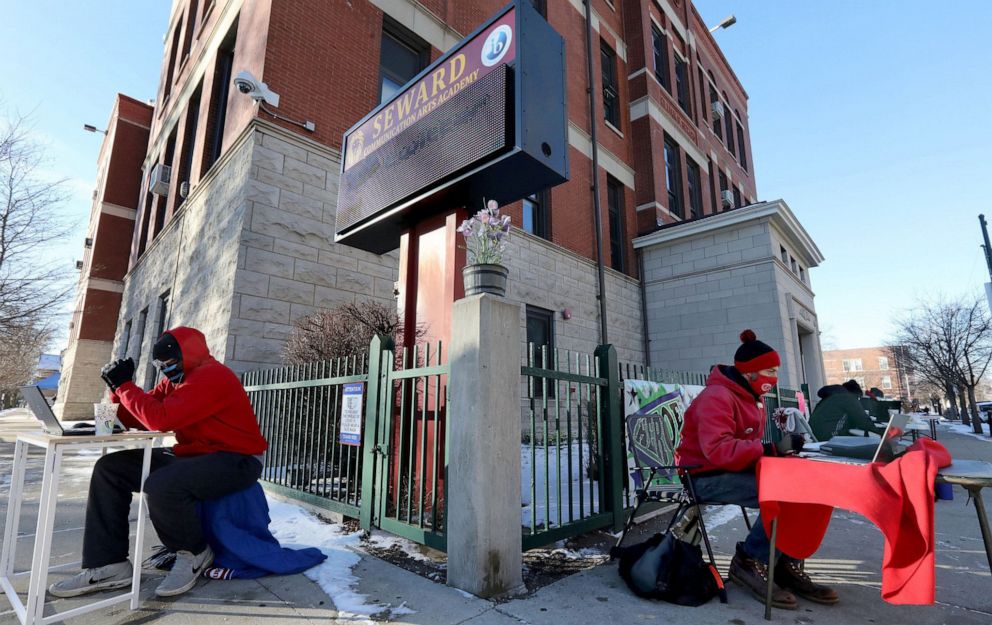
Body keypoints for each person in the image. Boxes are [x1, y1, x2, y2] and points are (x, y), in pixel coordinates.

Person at [49, 327, 268, 599]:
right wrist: (117, 389)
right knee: (110, 469)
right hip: (196, 456)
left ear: (186, 356)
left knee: (162, 485)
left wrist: (126, 387)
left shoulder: (213, 376)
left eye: (169, 364)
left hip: (237, 459)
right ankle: (110, 564)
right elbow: (137, 417)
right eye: (160, 365)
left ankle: (194, 552)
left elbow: (161, 419)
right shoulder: (175, 381)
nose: (165, 370)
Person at [675, 330, 839, 610]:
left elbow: (746, 449)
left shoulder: (750, 397)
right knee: (783, 495)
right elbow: (718, 450)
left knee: (807, 488)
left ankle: (783, 562)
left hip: (728, 471)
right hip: (702, 476)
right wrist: (769, 450)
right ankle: (749, 560)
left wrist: (781, 453)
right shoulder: (718, 396)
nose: (774, 377)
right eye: (769, 370)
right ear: (750, 372)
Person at [809, 379, 886, 441]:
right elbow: (863, 421)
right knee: (868, 442)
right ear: (856, 394)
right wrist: (883, 434)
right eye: (858, 398)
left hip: (814, 436)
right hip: (830, 437)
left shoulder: (829, 398)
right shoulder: (848, 398)